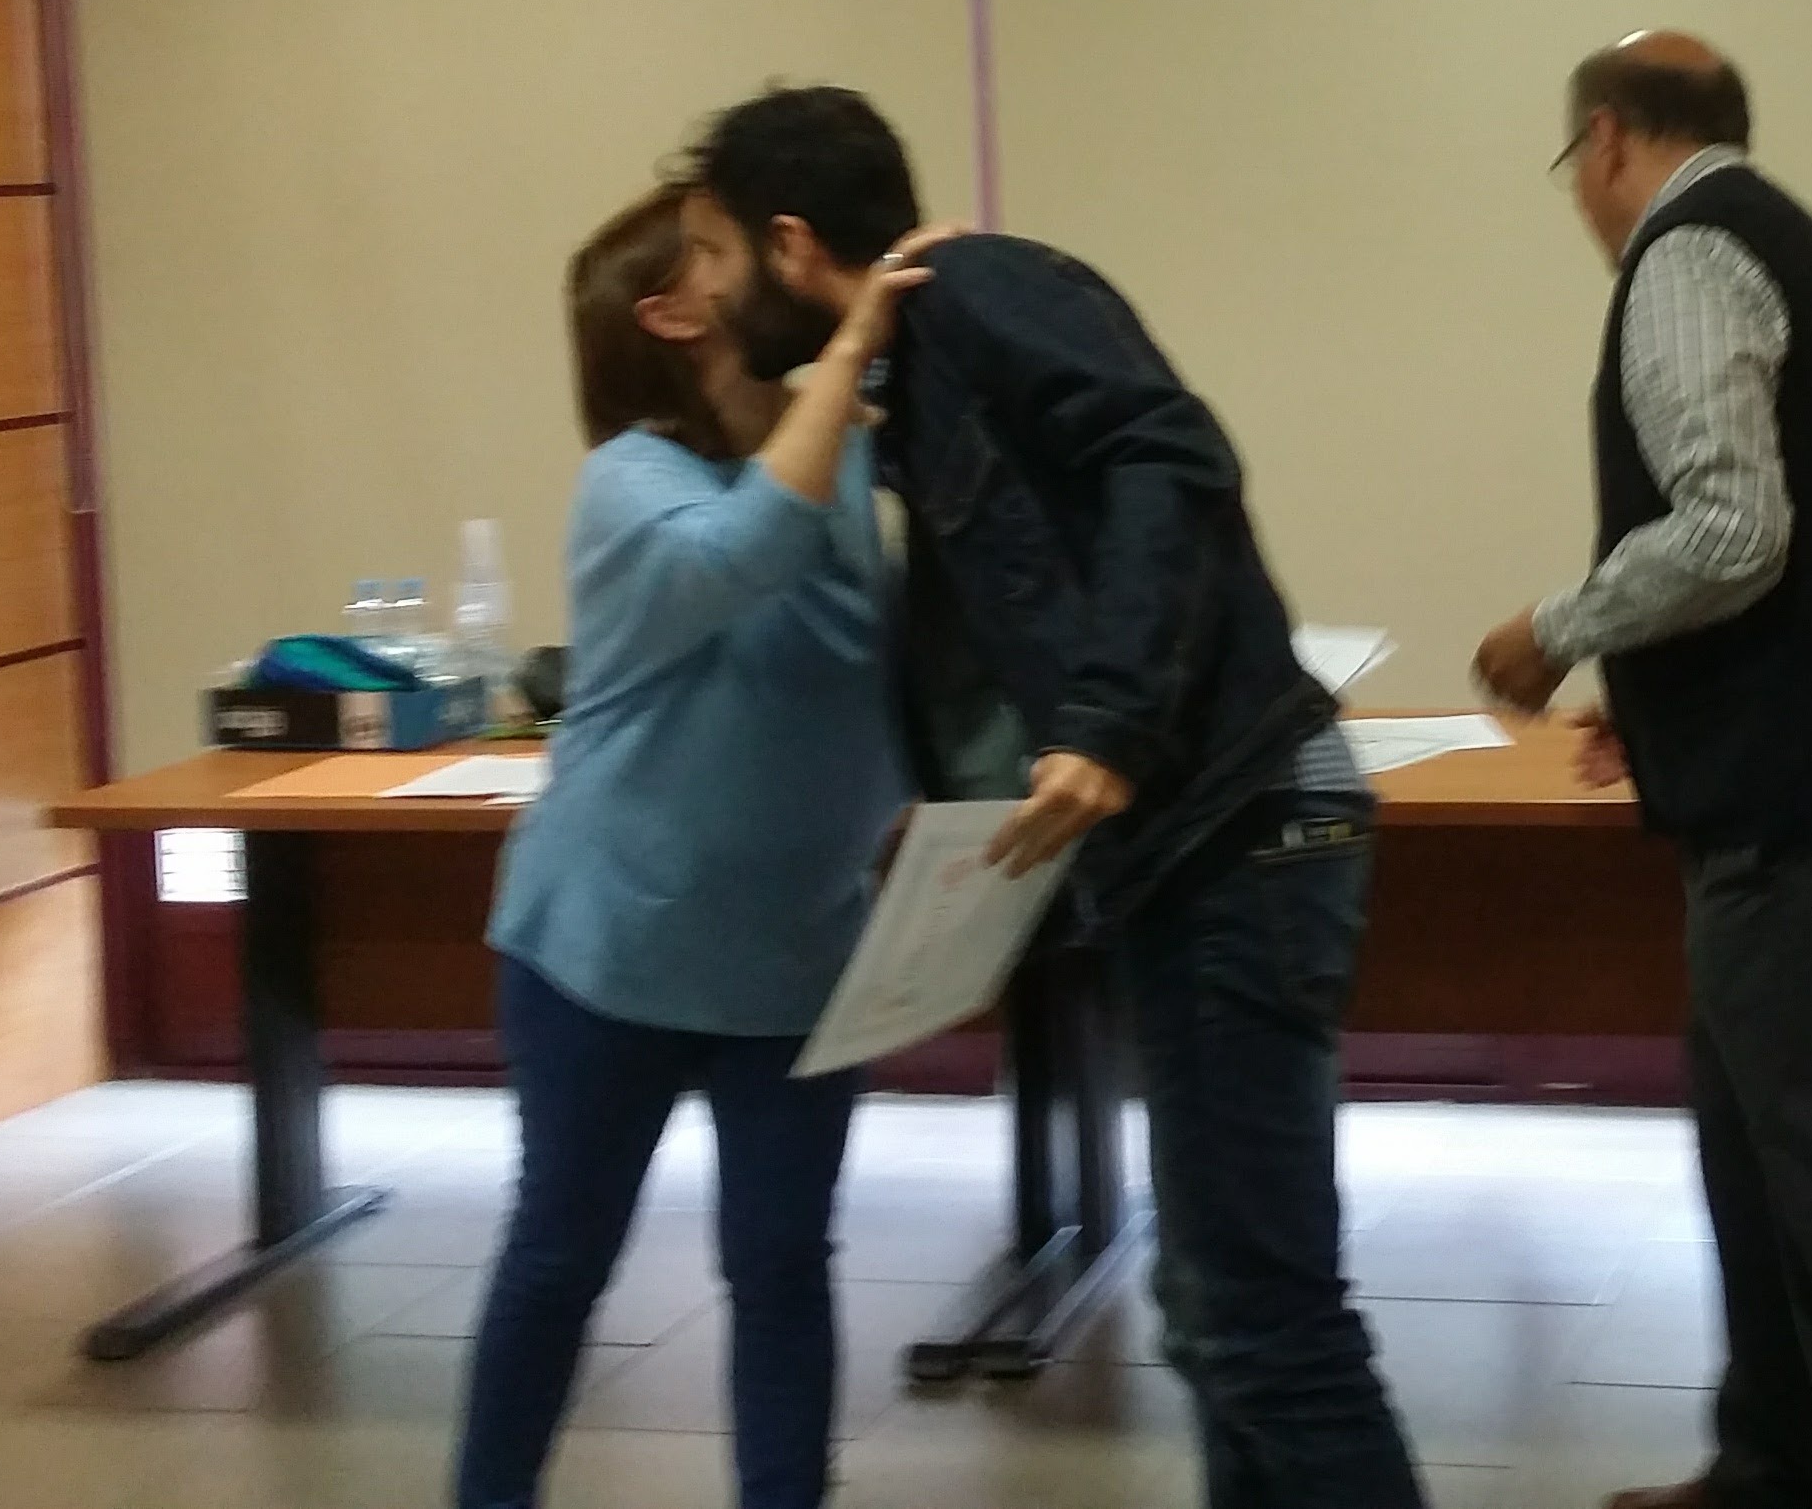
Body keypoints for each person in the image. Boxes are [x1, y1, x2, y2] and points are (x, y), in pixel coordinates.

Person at [690, 85, 1429, 1509]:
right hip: (1203, 840)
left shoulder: (979, 288)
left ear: (789, 244)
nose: (710, 295)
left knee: (1263, 1321)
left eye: (716, 256)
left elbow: (1171, 454)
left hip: (1241, 828)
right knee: (1220, 1313)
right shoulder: (911, 381)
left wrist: (1110, 721)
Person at [1473, 32, 1812, 1509]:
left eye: (1574, 167)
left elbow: (1730, 528)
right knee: (1753, 1135)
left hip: (1801, 791)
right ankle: (1778, 1462)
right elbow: (1788, 537)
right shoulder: (1778, 240)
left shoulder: (1688, 255)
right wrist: (1654, 705)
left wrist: (1557, 633)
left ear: (1605, 140)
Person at [452, 179, 936, 1509]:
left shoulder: (846, 452)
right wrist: (848, 355)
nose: (767, 265)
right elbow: (741, 552)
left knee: (782, 1264)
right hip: (607, 948)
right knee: (562, 1256)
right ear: (670, 313)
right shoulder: (629, 480)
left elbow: (876, 654)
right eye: (723, 253)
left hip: (795, 957)